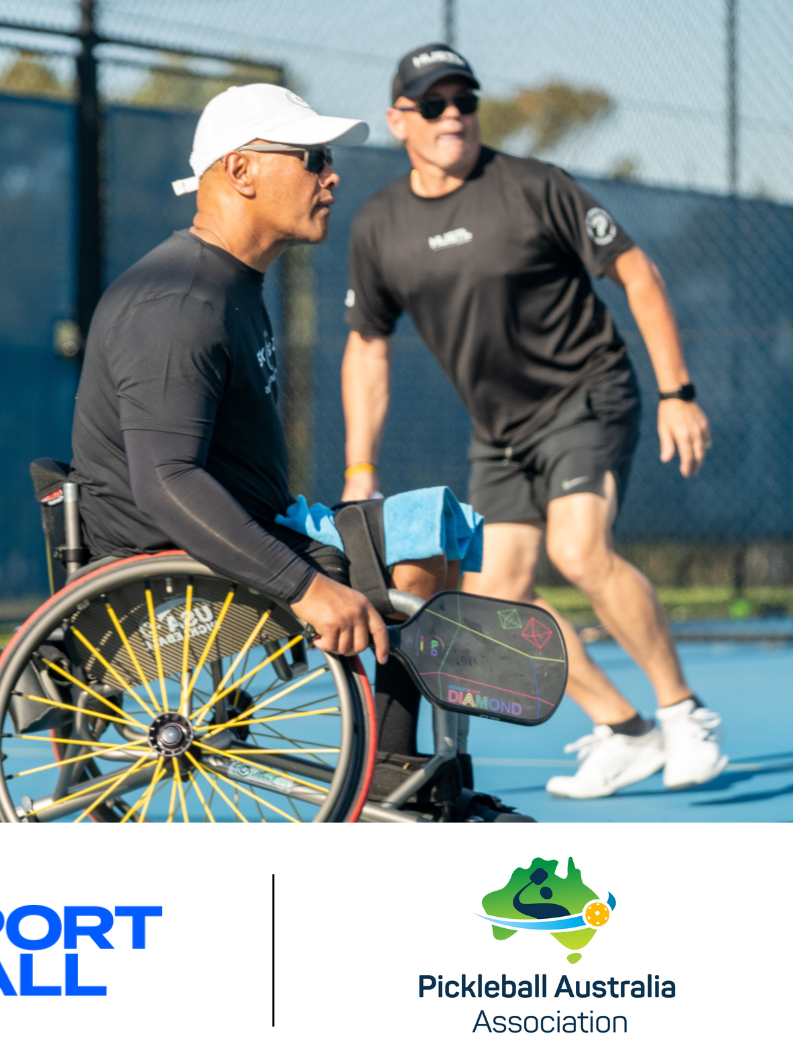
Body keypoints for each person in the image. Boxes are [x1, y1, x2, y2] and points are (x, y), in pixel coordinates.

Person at [70, 83, 521, 820]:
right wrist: (305, 587)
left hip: (241, 536)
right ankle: (391, 785)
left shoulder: (228, 284)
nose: (331, 177)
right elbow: (166, 480)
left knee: (428, 530)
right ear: (241, 170)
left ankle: (420, 773)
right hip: (167, 585)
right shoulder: (180, 303)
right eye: (313, 159)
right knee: (406, 552)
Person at [339, 43, 726, 799]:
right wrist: (361, 469)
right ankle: (626, 730)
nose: (453, 115)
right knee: (493, 601)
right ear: (399, 120)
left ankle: (684, 714)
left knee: (578, 550)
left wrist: (677, 392)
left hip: (588, 393)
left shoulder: (534, 185)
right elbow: (367, 350)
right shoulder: (379, 224)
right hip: (501, 434)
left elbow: (637, 272)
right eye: (433, 104)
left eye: (464, 101)